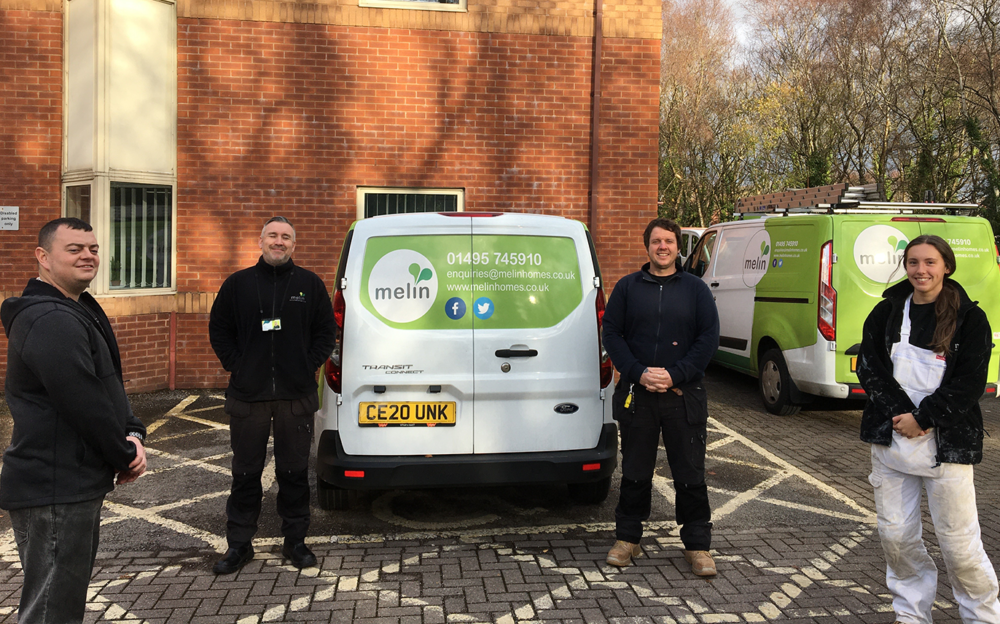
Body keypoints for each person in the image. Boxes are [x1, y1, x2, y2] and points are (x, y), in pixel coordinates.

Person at [0, 217, 147, 623]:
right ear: (43, 258)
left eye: (94, 248)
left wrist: (133, 430)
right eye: (75, 249)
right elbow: (83, 400)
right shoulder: (50, 319)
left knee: (60, 602)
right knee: (53, 610)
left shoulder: (72, 308)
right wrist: (123, 453)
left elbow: (105, 388)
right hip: (55, 488)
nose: (88, 255)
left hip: (69, 485)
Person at [857, 234, 1000, 624]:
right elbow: (869, 368)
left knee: (959, 547)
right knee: (897, 539)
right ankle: (910, 615)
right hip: (892, 440)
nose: (921, 270)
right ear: (905, 267)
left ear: (946, 267)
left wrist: (925, 418)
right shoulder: (886, 312)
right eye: (913, 262)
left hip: (947, 443)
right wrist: (903, 415)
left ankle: (983, 617)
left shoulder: (971, 318)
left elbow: (971, 382)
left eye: (930, 262)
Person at [209, 216, 336, 574]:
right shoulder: (238, 284)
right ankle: (239, 545)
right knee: (245, 474)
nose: (279, 242)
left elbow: (326, 332)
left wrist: (306, 365)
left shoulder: (309, 285)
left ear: (294, 245)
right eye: (273, 236)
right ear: (261, 241)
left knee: (294, 473)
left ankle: (295, 542)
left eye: (286, 237)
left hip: (295, 397)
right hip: (248, 397)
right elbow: (219, 329)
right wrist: (238, 364)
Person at [601, 217, 720, 575]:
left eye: (669, 241)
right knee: (636, 471)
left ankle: (697, 546)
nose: (663, 247)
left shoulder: (696, 290)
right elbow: (612, 334)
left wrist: (673, 374)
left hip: (684, 395)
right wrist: (639, 372)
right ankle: (628, 539)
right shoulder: (627, 288)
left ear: (678, 247)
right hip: (638, 395)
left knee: (690, 473)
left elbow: (708, 339)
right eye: (656, 241)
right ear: (647, 246)